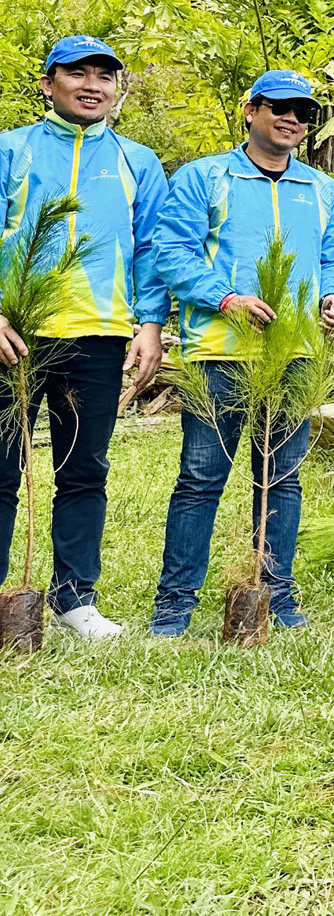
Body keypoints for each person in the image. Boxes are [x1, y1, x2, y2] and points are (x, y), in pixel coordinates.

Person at [151, 68, 334, 635]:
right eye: (279, 107)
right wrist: (226, 297)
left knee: (283, 479)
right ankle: (174, 608)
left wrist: (333, 295)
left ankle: (277, 598)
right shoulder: (204, 176)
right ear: (251, 110)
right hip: (221, 352)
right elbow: (173, 252)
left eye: (303, 112)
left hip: (296, 354)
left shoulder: (322, 189)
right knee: (201, 477)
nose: (292, 119)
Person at [0, 36, 167, 641]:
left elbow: (151, 250)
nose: (94, 83)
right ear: (49, 83)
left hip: (98, 335)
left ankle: (75, 601)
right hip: (14, 330)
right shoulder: (11, 149)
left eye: (106, 75)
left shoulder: (138, 161)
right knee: (0, 468)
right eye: (78, 72)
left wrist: (148, 325)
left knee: (83, 470)